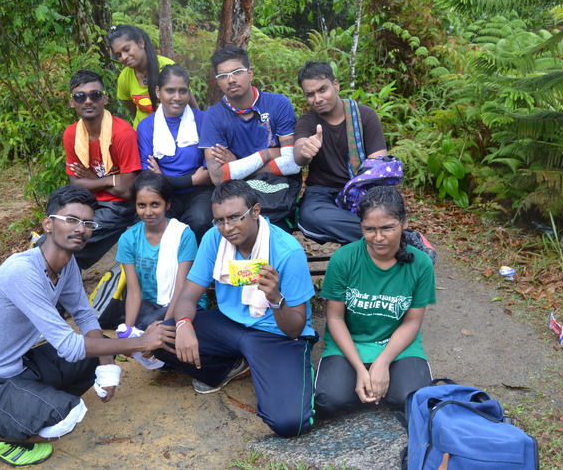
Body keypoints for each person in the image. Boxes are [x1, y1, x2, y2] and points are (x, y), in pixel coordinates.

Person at [0, 184, 175, 467]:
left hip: (16, 368)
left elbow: (85, 315)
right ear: (48, 224)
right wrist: (140, 343)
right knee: (66, 415)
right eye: (71, 220)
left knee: (94, 357)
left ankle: (28, 406)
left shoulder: (66, 266)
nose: (81, 229)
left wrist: (107, 365)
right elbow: (68, 344)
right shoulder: (22, 271)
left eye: (88, 223)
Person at [152, 180, 318, 438]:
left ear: (255, 211)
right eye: (219, 220)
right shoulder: (214, 239)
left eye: (234, 218)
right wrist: (183, 323)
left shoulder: (287, 251)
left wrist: (275, 297)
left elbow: (296, 327)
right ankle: (229, 367)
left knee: (290, 423)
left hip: (275, 333)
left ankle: (264, 368)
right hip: (228, 324)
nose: (227, 228)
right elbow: (188, 294)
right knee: (158, 337)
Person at [314, 186, 436, 417]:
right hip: (350, 342)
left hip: (397, 344)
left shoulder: (420, 264)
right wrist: (361, 369)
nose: (378, 238)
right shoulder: (344, 258)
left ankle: (378, 383)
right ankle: (366, 384)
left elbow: (411, 323)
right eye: (369, 229)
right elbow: (335, 317)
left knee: (412, 399)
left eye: (387, 228)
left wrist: (382, 363)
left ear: (404, 223)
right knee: (329, 400)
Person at [200, 46, 302, 232]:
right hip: (234, 198)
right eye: (223, 76)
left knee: (273, 235)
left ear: (250, 73)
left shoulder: (278, 104)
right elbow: (217, 176)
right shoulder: (213, 116)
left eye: (237, 72)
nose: (231, 80)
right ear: (217, 82)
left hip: (277, 193)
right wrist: (267, 153)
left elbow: (292, 164)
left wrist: (237, 165)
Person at [293, 61, 388, 244]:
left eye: (322, 90)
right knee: (311, 218)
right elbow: (299, 155)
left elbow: (378, 165)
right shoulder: (307, 122)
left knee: (386, 210)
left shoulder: (364, 116)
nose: (317, 98)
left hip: (362, 189)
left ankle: (378, 235)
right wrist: (306, 151)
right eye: (310, 94)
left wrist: (360, 193)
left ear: (335, 85)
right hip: (321, 193)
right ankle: (388, 236)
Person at [60, 69, 141, 269]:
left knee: (69, 244)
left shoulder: (123, 134)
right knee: (56, 233)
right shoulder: (72, 134)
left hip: (120, 206)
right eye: (80, 96)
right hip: (88, 200)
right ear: (72, 102)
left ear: (105, 99)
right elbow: (76, 183)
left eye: (94, 95)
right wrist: (108, 179)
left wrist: (93, 178)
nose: (88, 101)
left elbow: (127, 190)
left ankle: (61, 276)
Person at [116, 170, 205, 330]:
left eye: (155, 204)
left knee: (159, 329)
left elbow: (181, 288)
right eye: (141, 205)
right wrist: (128, 331)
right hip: (150, 305)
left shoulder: (183, 235)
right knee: (134, 325)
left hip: (182, 302)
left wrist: (165, 325)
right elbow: (134, 291)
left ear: (168, 204)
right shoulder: (128, 239)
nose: (148, 212)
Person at [136, 64, 213, 241]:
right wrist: (192, 179)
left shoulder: (202, 120)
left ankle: (196, 266)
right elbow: (149, 177)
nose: (177, 97)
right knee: (154, 223)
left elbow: (208, 174)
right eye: (170, 91)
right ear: (158, 91)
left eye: (183, 91)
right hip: (162, 193)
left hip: (199, 193)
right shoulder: (147, 127)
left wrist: (163, 176)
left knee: (199, 221)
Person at [108, 25, 198, 129]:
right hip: (143, 136)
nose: (124, 57)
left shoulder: (168, 68)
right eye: (119, 55)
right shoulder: (124, 78)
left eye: (127, 49)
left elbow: (191, 106)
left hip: (174, 132)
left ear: (141, 43)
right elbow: (133, 111)